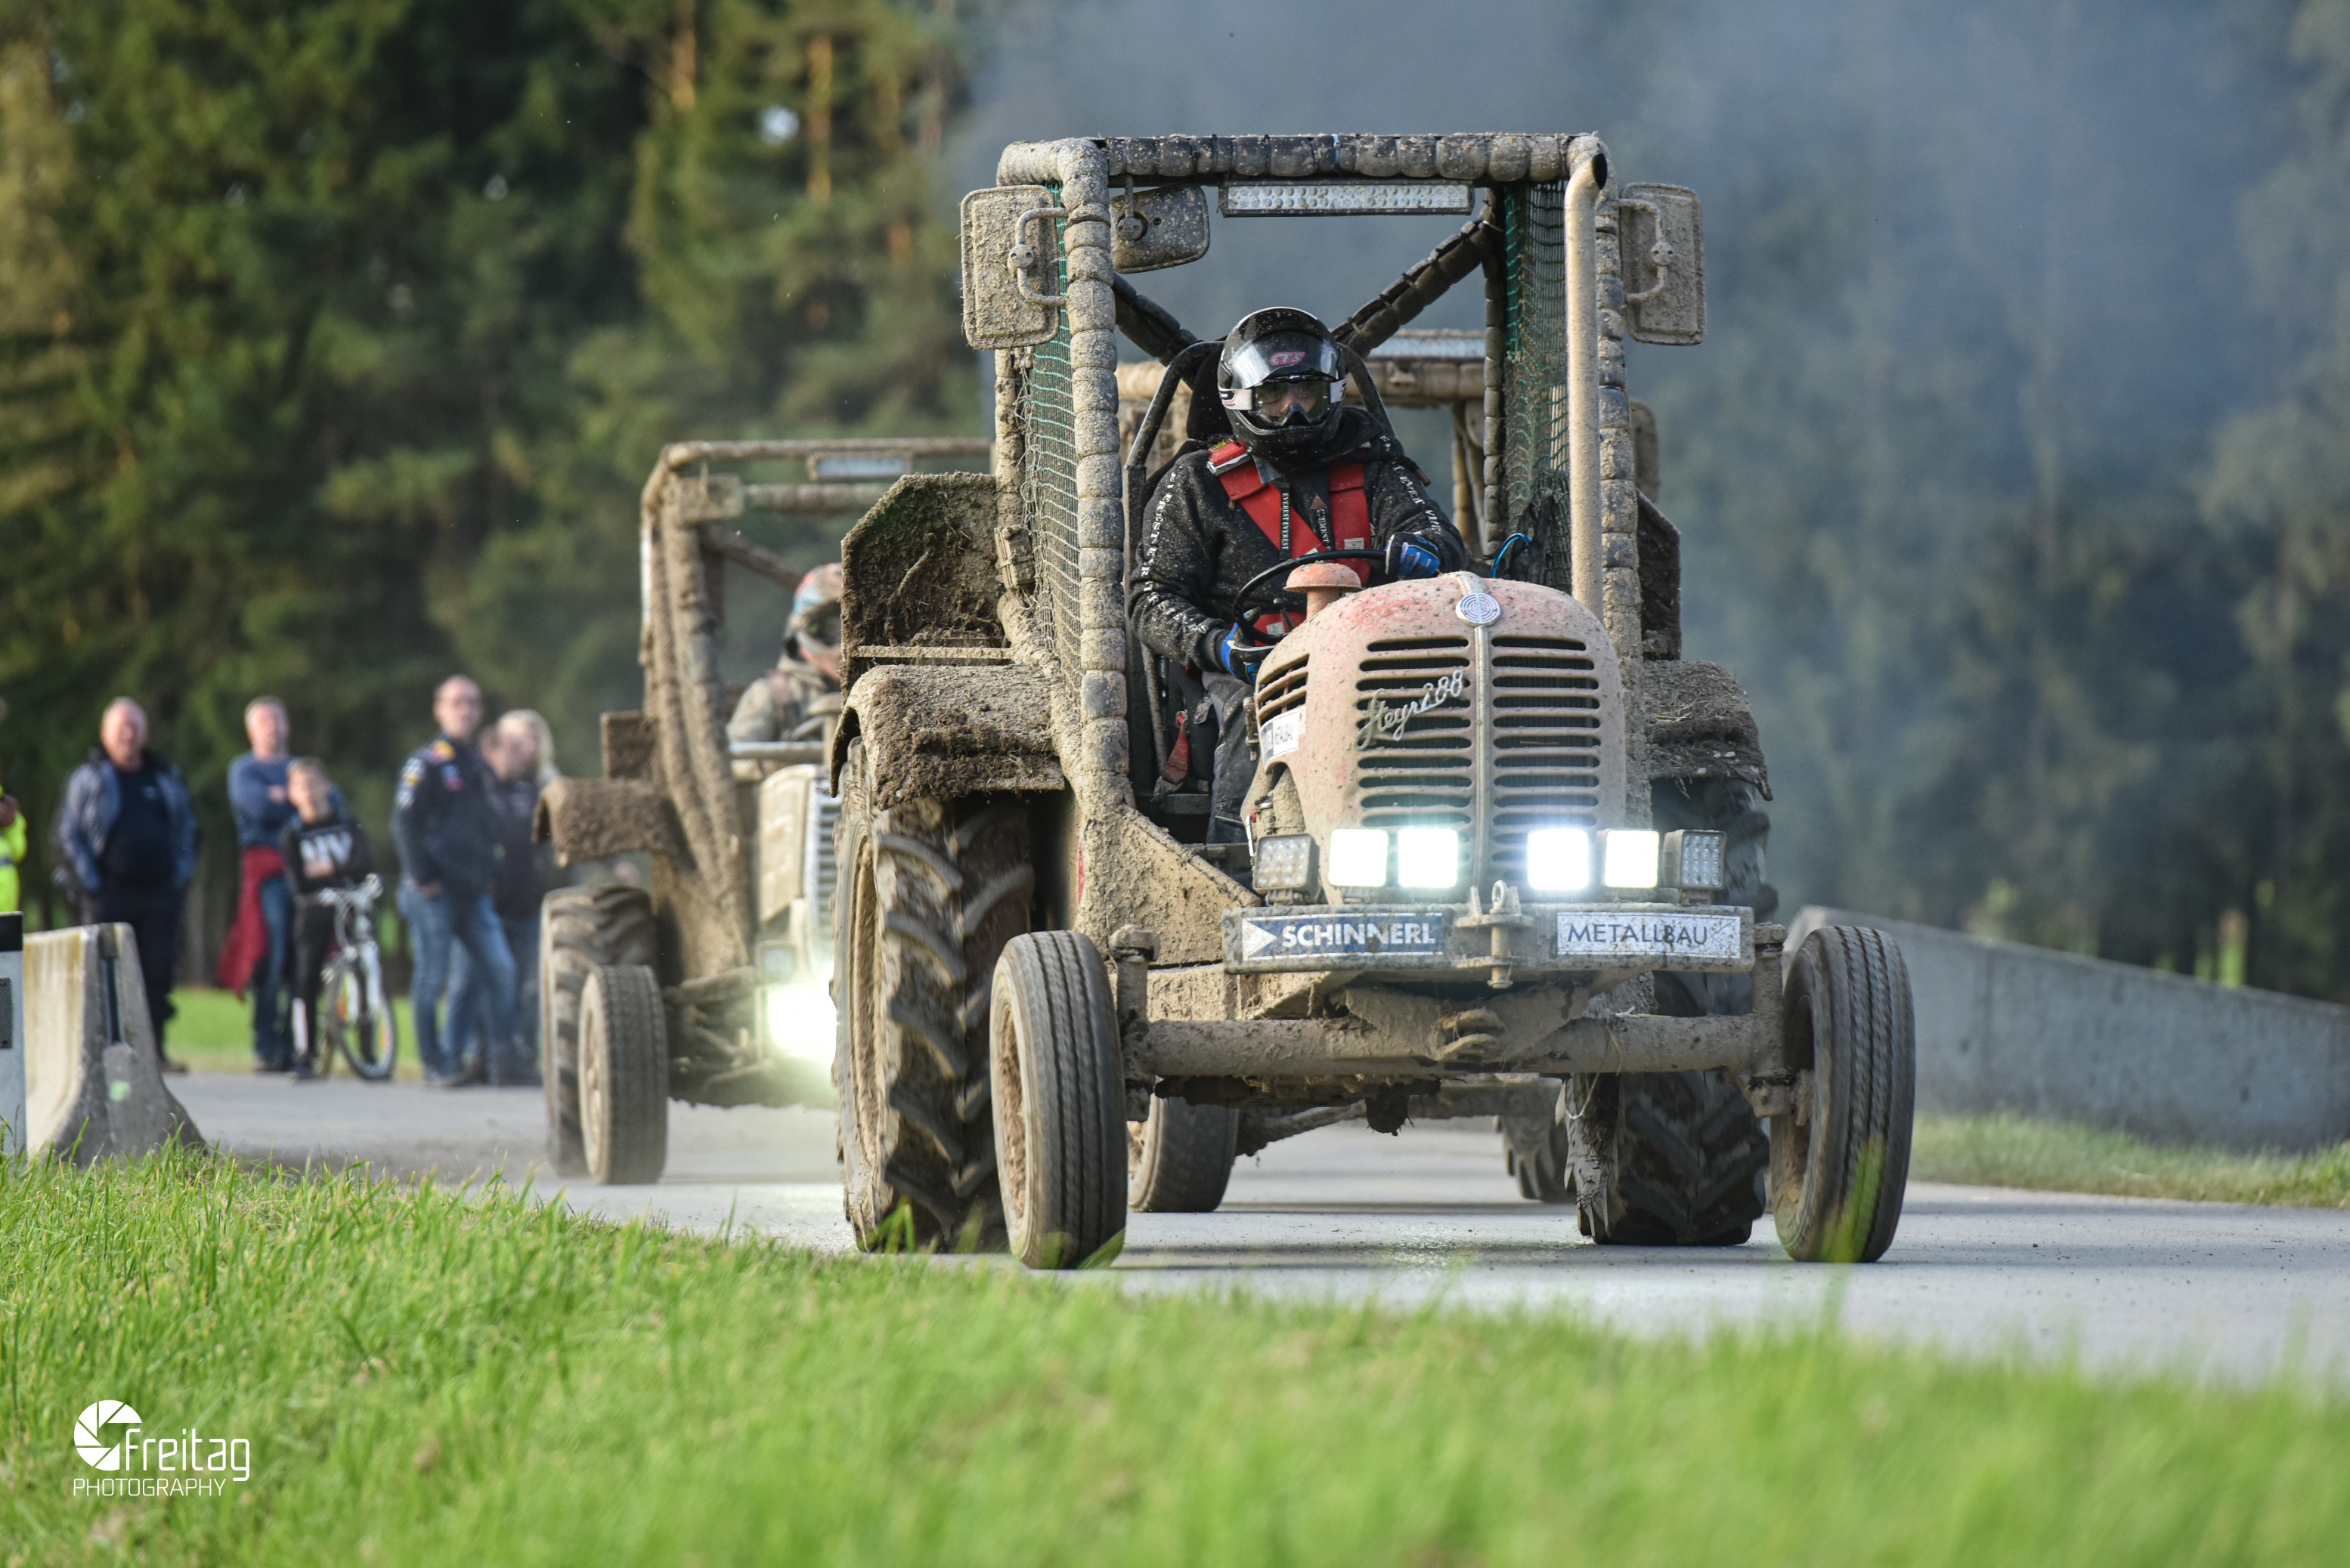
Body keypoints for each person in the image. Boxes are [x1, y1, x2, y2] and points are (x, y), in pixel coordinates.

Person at [1127, 307, 1467, 840]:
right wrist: (1219, 647)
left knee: (1447, 700)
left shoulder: (1374, 466)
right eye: (1274, 397)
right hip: (1245, 672)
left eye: (1306, 394)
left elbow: (1436, 534)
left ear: (1331, 394)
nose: (1294, 412)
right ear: (1239, 401)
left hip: (1370, 662)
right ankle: (1237, 859)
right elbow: (1150, 599)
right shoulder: (1196, 483)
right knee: (1257, 712)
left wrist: (1425, 549)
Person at [53, 698, 200, 1069]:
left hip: (160, 893)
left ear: (145, 733)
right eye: (121, 728)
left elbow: (188, 828)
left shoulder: (164, 777)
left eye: (134, 727)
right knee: (105, 974)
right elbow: (69, 834)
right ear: (105, 734)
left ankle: (153, 1053)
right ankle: (107, 1055)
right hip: (109, 893)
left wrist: (179, 876)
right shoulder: (90, 779)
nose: (128, 735)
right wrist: (92, 885)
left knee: (158, 973)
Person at [392, 676, 516, 1087]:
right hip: (434, 892)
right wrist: (422, 875)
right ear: (439, 710)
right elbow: (405, 822)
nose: (466, 710)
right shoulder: (426, 763)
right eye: (457, 702)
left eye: (472, 703)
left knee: (501, 970)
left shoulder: (478, 765)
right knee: (432, 977)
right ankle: (436, 1063)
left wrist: (492, 873)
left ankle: (502, 1060)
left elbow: (487, 826)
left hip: (473, 891)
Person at [444, 710, 554, 1087]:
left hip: (524, 904)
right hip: (481, 905)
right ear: (491, 751)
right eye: (512, 747)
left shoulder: (530, 793)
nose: (520, 754)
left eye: (524, 747)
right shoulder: (473, 791)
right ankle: (468, 1059)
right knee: (470, 984)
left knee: (522, 988)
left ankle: (514, 1060)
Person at [279, 758, 373, 1079]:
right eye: (300, 786)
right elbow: (299, 882)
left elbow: (364, 863)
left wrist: (328, 869)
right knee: (306, 978)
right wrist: (337, 871)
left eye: (313, 783)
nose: (308, 791)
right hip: (313, 909)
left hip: (349, 903)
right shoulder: (293, 834)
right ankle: (305, 1052)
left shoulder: (347, 822)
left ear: (327, 787)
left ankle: (367, 1050)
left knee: (362, 971)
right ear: (292, 793)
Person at [219, 697, 299, 1071]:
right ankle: (266, 1043)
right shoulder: (244, 770)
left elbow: (329, 801)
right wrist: (296, 799)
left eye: (277, 719)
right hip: (268, 873)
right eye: (264, 721)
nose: (273, 727)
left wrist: (287, 796)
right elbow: (259, 808)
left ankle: (297, 1042)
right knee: (272, 949)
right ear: (251, 730)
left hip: (304, 870)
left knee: (304, 957)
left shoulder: (299, 767)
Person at [727, 563, 844, 745]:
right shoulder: (774, 696)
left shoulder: (883, 692)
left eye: (860, 631)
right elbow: (735, 755)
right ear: (802, 631)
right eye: (830, 630)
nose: (843, 647)